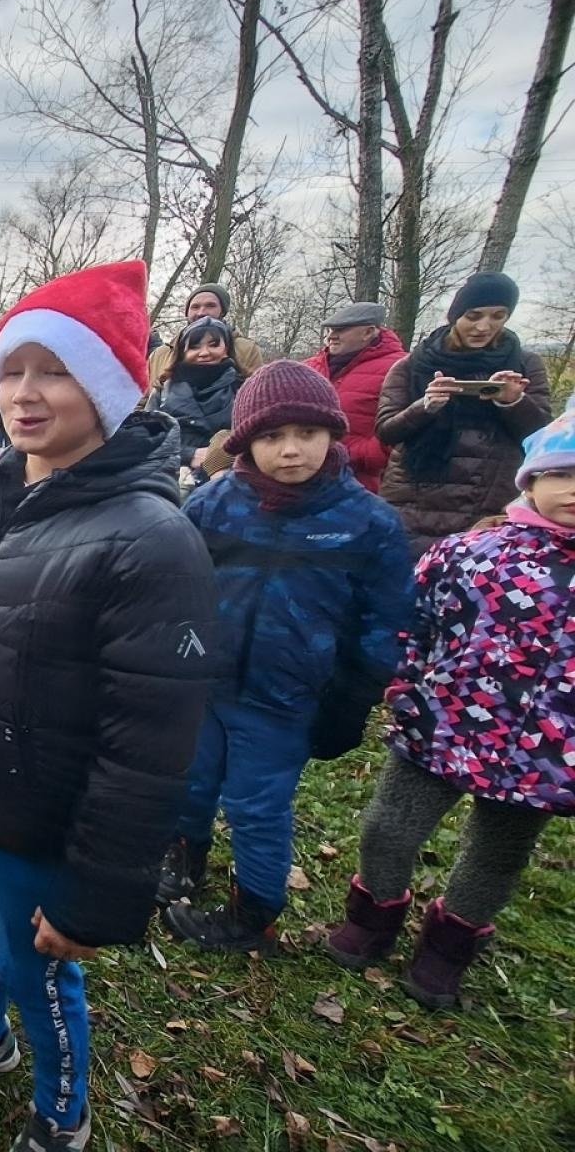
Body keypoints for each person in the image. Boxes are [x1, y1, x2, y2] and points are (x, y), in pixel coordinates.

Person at [0, 261, 218, 1152]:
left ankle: (62, 1110)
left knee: (39, 972)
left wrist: (96, 894)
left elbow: (148, 746)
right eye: (12, 370)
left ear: (107, 387)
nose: (25, 393)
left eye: (54, 371)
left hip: (36, 820)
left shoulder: (152, 539)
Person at [158, 362, 413, 951]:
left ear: (333, 434)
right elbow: (174, 585)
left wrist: (351, 699)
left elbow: (386, 620)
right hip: (204, 687)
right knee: (190, 781)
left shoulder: (367, 523)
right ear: (245, 441)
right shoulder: (214, 504)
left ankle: (254, 910)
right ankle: (184, 857)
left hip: (286, 701)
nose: (291, 450)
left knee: (256, 805)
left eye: (307, 433)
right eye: (272, 436)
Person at [326, 404, 575, 1008]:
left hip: (544, 749)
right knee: (389, 827)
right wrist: (401, 680)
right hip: (442, 719)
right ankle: (374, 914)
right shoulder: (472, 552)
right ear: (533, 478)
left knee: (497, 853)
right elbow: (414, 619)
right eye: (564, 473)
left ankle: (449, 944)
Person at [376, 273, 552, 559]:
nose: (484, 326)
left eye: (498, 316)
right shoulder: (412, 365)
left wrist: (513, 401)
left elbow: (540, 438)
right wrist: (425, 406)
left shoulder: (525, 363)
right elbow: (386, 430)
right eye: (474, 316)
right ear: (456, 315)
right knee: (403, 572)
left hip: (487, 500)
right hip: (414, 495)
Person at [304, 302, 407, 492]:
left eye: (341, 330)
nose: (331, 336)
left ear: (368, 332)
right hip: (303, 479)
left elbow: (404, 427)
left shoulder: (400, 368)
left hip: (360, 485)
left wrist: (356, 454)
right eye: (330, 329)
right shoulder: (309, 367)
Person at [145, 316, 243, 481]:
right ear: (182, 352)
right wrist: (188, 454)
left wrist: (219, 460)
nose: (204, 353)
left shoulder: (243, 388)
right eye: (194, 347)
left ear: (226, 348)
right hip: (168, 478)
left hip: (228, 479)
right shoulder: (162, 390)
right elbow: (147, 439)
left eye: (213, 345)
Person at [145, 283, 264, 385]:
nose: (201, 312)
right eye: (195, 307)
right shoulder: (160, 355)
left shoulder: (246, 349)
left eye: (210, 306)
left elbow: (256, 395)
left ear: (222, 311)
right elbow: (144, 399)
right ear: (187, 312)